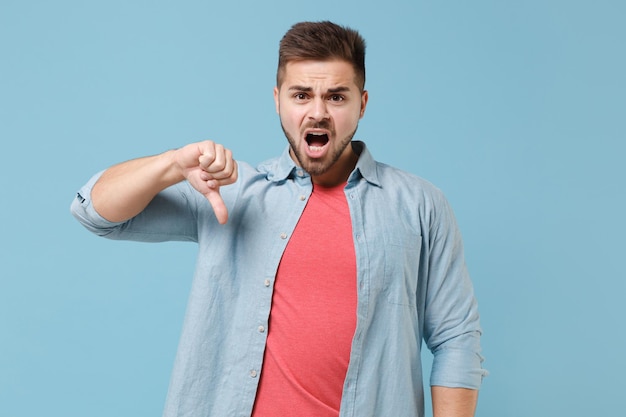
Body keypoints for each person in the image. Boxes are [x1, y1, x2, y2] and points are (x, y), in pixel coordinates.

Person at [71, 21, 486, 417]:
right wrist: (172, 164)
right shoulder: (230, 192)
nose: (318, 113)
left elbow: (456, 339)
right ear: (278, 100)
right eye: (301, 95)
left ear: (362, 103)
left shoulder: (420, 206)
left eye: (337, 97)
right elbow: (95, 211)